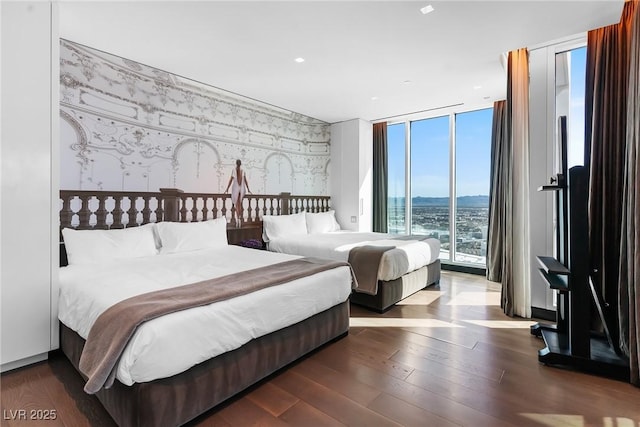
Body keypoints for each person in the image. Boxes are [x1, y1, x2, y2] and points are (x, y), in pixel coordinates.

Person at [224, 159, 251, 227]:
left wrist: (227, 188)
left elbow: (231, 180)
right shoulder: (242, 171)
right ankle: (239, 219)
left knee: (237, 204)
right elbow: (245, 180)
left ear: (236, 164)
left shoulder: (235, 170)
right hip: (240, 188)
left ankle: (238, 219)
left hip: (237, 188)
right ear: (240, 164)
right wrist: (248, 189)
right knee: (239, 204)